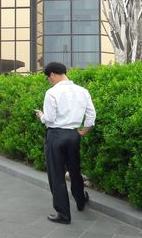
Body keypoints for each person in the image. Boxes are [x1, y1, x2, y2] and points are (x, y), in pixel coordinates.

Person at [34, 62, 96, 224]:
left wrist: (41, 116)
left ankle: (63, 214)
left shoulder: (52, 93)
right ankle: (81, 201)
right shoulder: (82, 91)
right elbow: (91, 115)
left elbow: (50, 118)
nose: (49, 81)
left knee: (57, 175)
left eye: (49, 78)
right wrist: (83, 131)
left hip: (56, 135)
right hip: (73, 135)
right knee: (75, 170)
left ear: (53, 74)